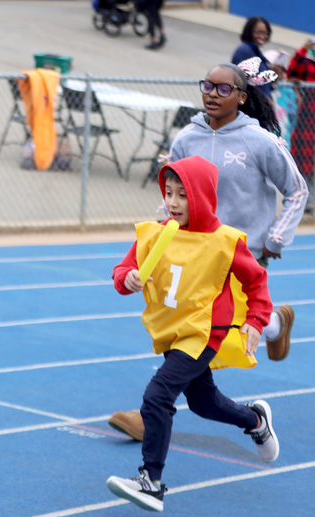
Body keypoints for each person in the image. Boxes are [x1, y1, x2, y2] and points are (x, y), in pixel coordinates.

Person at [107, 59, 308, 442]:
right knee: (189, 328)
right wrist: (163, 230)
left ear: (242, 96)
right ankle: (274, 327)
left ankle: (153, 410)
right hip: (192, 251)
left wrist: (276, 238)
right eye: (207, 86)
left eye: (223, 88)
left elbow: (297, 189)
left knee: (207, 336)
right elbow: (172, 192)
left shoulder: (260, 141)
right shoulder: (186, 138)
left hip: (236, 253)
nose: (212, 94)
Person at [105, 156, 278, 513]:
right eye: (168, 193)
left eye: (182, 195)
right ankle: (256, 420)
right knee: (203, 403)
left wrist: (257, 320)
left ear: (200, 196)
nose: (172, 202)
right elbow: (123, 269)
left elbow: (256, 279)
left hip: (203, 334)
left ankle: (150, 482)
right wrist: (128, 278)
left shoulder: (224, 242)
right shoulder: (158, 233)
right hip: (175, 333)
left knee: (157, 396)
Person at [286, 38, 315, 211]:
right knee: (303, 160)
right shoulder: (305, 58)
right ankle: (304, 200)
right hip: (306, 117)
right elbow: (292, 72)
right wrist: (302, 50)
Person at [231, 16, 273, 98]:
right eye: (258, 32)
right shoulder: (244, 51)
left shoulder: (256, 52)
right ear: (249, 32)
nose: (262, 36)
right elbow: (241, 80)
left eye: (265, 33)